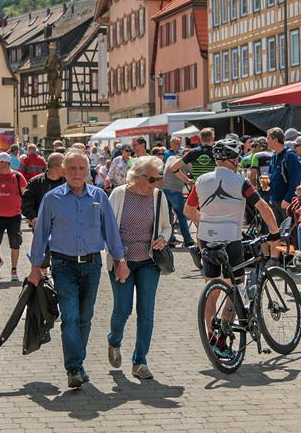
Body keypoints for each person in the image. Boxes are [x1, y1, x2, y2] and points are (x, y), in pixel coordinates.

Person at [27, 150, 128, 389]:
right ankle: (74, 367)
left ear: (88, 171)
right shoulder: (52, 198)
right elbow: (41, 234)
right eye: (72, 168)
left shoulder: (98, 197)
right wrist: (35, 266)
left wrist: (121, 261)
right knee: (70, 317)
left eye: (82, 168)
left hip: (92, 265)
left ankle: (78, 363)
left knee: (85, 318)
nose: (77, 173)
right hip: (63, 265)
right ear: (63, 170)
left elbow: (111, 230)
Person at [185, 138, 279, 355]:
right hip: (231, 238)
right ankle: (223, 338)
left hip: (206, 238)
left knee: (212, 289)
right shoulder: (240, 182)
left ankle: (211, 336)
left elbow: (189, 212)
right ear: (235, 159)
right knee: (235, 288)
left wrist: (207, 220)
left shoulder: (201, 180)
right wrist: (274, 232)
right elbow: (262, 207)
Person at [105, 155, 171, 380]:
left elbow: (167, 227)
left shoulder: (158, 197)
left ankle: (140, 361)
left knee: (146, 312)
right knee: (123, 309)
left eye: (158, 178)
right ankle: (114, 341)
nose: (157, 183)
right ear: (138, 176)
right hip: (121, 260)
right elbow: (109, 230)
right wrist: (119, 260)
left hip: (149, 262)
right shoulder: (119, 194)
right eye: (153, 179)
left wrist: (162, 238)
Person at [0, 152, 29, 281]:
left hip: (14, 216)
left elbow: (26, 195)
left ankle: (14, 270)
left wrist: (29, 213)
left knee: (15, 243)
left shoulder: (18, 176)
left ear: (5, 163)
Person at [161, 139, 194, 248]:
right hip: (174, 190)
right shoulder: (186, 162)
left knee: (168, 216)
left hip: (164, 188)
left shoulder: (170, 157)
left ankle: (169, 240)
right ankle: (188, 239)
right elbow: (192, 171)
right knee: (182, 215)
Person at [22, 152, 66, 229]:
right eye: (64, 166)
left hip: (62, 226)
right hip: (41, 226)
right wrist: (33, 218)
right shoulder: (35, 182)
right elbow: (26, 202)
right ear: (55, 167)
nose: (66, 168)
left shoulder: (68, 182)